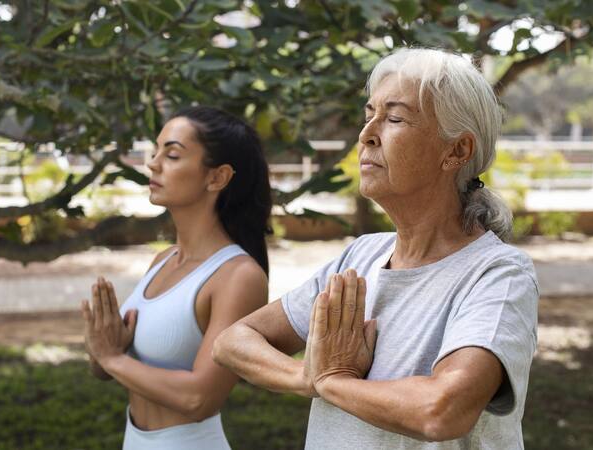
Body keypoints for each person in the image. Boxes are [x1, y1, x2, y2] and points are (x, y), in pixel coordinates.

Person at [213, 47, 539, 449]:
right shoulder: (361, 256)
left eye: (395, 118)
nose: (367, 133)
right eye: (369, 115)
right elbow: (233, 341)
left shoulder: (498, 274)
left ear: (457, 151)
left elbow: (442, 409)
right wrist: (309, 376)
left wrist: (334, 381)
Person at [80, 105, 272, 450]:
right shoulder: (162, 260)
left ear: (217, 177)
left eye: (171, 154)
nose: (152, 163)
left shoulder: (239, 276)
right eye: (155, 152)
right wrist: (103, 348)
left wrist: (113, 358)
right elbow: (105, 369)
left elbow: (200, 398)